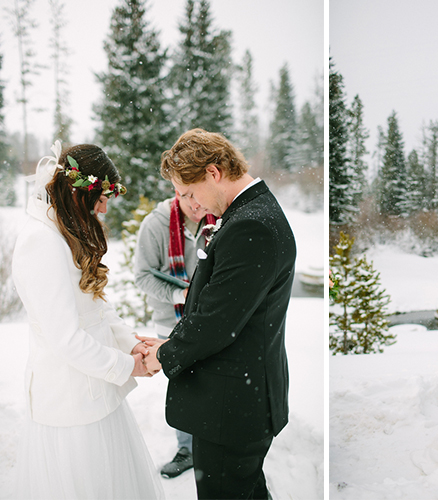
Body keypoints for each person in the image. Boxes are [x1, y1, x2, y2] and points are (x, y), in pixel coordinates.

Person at [138, 129, 296, 499]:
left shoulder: (251, 226)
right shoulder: (250, 212)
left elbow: (216, 321)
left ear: (213, 172)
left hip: (233, 407)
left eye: (190, 192)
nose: (191, 203)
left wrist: (163, 354)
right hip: (236, 397)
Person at [11, 142, 164, 499]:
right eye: (100, 197)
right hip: (70, 405)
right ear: (78, 191)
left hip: (96, 394)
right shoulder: (41, 243)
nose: (105, 207)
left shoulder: (64, 232)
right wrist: (128, 366)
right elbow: (65, 338)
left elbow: (94, 305)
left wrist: (131, 342)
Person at [134, 190, 216, 478]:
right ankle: (187, 449)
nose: (198, 205)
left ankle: (216, 445)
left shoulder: (216, 217)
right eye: (190, 199)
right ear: (178, 193)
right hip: (172, 321)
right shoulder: (154, 225)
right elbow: (143, 275)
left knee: (216, 381)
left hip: (211, 320)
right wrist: (179, 293)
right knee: (185, 385)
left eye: (200, 198)